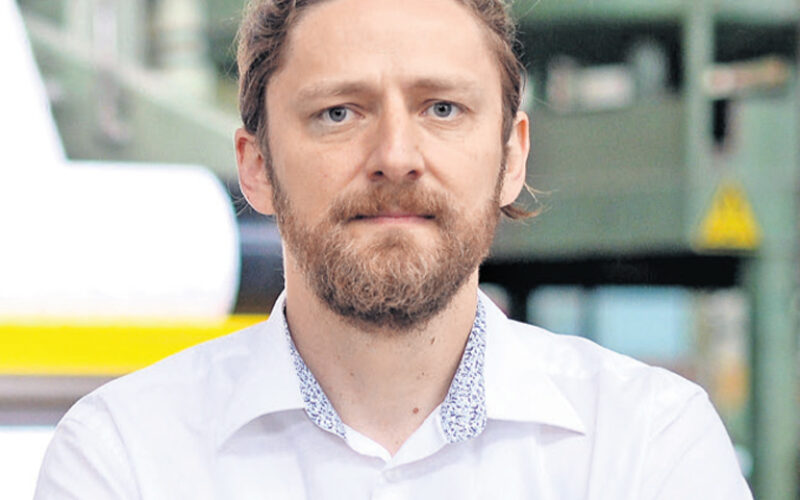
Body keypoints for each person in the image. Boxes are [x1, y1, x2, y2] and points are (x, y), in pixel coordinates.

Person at [36, 0, 752, 498]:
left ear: (511, 157)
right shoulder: (123, 458)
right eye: (338, 113)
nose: (396, 157)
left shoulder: (647, 445)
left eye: (442, 108)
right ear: (256, 167)